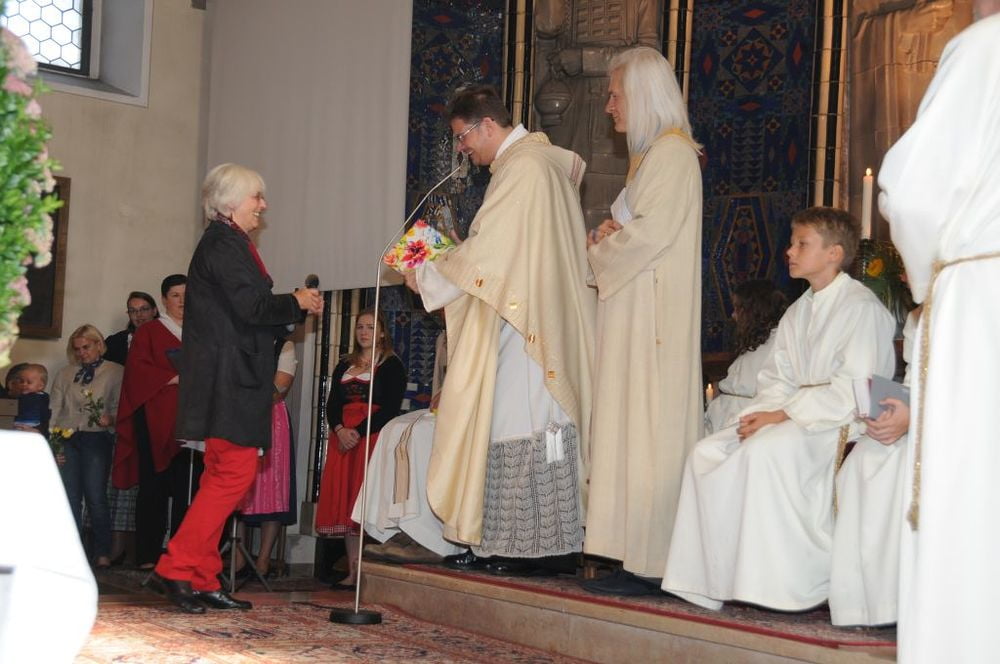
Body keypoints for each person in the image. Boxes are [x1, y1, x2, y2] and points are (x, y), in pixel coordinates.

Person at [661, 207, 897, 611]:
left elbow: (859, 387)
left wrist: (783, 415)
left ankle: (782, 584)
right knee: (707, 453)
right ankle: (710, 581)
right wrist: (758, 415)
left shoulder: (862, 308)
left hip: (838, 421)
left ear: (834, 253)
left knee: (764, 453)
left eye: (802, 244)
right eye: (792, 243)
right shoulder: (799, 310)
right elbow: (776, 378)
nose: (789, 251)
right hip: (793, 415)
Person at [406, 85, 596, 575]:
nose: (462, 149)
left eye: (463, 136)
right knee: (515, 422)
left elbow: (488, 252)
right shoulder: (532, 165)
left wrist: (426, 274)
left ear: (487, 124)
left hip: (530, 326)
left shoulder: (525, 169)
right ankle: (517, 542)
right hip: (527, 315)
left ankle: (541, 548)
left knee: (523, 424)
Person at [877, 3, 1000, 659]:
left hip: (983, 299)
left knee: (969, 487)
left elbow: (914, 193)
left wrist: (928, 282)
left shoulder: (986, 46)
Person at [148, 163, 322, 614]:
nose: (263, 205)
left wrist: (292, 310)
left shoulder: (226, 242)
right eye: (256, 197)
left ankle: (202, 576)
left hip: (227, 376)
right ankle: (175, 566)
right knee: (233, 476)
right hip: (228, 380)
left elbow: (244, 314)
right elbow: (251, 306)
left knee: (221, 476)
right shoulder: (224, 244)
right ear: (230, 203)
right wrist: (295, 301)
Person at [580, 46, 704, 596]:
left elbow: (648, 235)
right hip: (633, 313)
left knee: (649, 432)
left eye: (616, 95)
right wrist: (605, 236)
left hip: (653, 322)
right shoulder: (651, 158)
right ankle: (629, 553)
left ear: (643, 95)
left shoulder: (673, 156)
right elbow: (621, 229)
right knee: (628, 431)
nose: (609, 106)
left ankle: (651, 562)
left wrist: (603, 246)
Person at [830, 306, 919, 626]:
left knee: (895, 469)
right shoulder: (916, 318)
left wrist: (915, 416)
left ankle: (905, 600)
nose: (905, 280)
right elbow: (913, 382)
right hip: (918, 421)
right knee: (862, 461)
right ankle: (867, 603)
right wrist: (892, 411)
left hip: (953, 430)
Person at [315, 309, 406, 588]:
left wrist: (358, 431)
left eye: (370, 327)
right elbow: (332, 403)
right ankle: (353, 570)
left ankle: (371, 571)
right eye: (360, 327)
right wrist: (340, 429)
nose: (364, 332)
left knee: (366, 498)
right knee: (347, 502)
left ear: (382, 332)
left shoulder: (391, 365)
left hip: (372, 437)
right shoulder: (345, 364)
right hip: (343, 440)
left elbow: (390, 407)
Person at [113, 274, 195, 571]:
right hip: (155, 419)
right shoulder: (149, 332)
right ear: (163, 300)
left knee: (188, 489)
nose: (182, 300)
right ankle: (148, 554)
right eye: (175, 295)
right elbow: (136, 372)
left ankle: (181, 556)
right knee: (154, 487)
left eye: (187, 294)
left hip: (194, 421)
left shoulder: (202, 331)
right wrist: (174, 378)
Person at [50, 324, 124, 569]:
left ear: (99, 345)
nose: (82, 353)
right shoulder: (64, 373)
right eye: (77, 349)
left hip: (96, 438)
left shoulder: (115, 371)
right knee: (70, 497)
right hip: (66, 437)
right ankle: (72, 551)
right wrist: (54, 445)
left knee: (95, 496)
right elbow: (54, 410)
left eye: (86, 347)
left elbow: (120, 407)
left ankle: (102, 551)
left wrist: (110, 419)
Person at [233, 337, 299, 579]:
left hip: (270, 418)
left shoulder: (284, 345)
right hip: (239, 416)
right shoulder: (240, 339)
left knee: (273, 488)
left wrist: (246, 396)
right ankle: (238, 557)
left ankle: (263, 560)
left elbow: (279, 387)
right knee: (238, 486)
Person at [705, 280, 788, 434]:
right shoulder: (757, 341)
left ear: (753, 311)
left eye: (738, 309)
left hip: (744, 419)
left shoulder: (780, 342)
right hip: (726, 416)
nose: (733, 315)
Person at [104, 291, 159, 366]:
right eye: (133, 311)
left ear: (154, 311)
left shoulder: (167, 339)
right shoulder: (114, 342)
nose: (138, 314)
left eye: (144, 309)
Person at [13, 363, 49, 434]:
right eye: (22, 381)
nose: (24, 384)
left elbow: (46, 417)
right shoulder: (18, 396)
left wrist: (39, 430)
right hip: (16, 426)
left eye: (29, 382)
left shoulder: (42, 398)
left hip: (33, 427)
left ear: (40, 386)